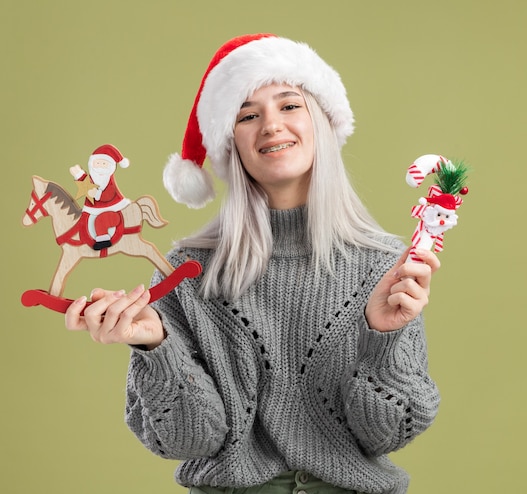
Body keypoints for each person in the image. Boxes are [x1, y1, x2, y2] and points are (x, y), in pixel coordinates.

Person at [65, 33, 441, 494]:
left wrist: (383, 337)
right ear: (231, 144)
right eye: (247, 115)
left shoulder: (385, 266)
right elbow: (189, 439)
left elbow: (387, 433)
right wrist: (156, 348)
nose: (270, 126)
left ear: (321, 122)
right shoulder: (187, 272)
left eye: (289, 105)